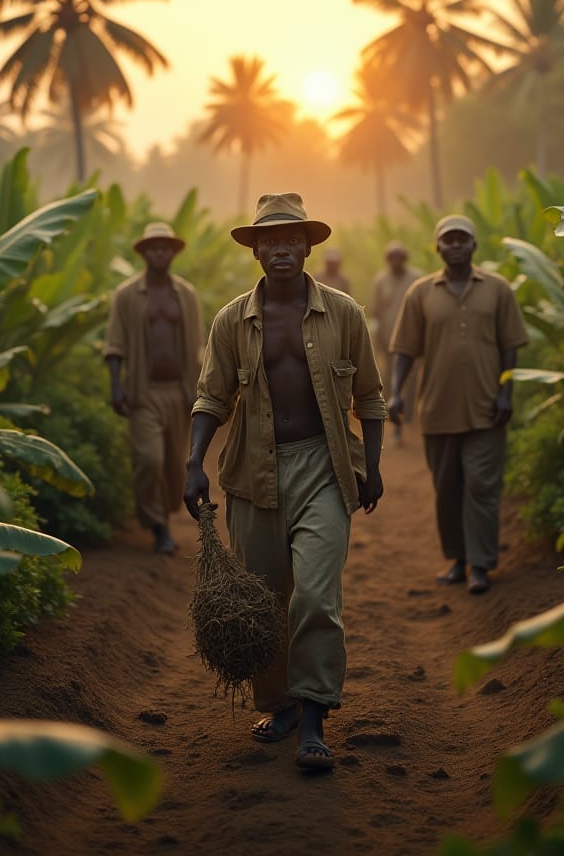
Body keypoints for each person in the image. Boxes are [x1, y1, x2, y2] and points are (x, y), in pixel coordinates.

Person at [183, 192, 386, 772]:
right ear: (256, 249)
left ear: (307, 246)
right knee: (267, 599)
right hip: (254, 472)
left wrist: (371, 466)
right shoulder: (232, 320)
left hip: (324, 467)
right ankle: (281, 705)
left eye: (290, 239)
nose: (280, 249)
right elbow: (212, 397)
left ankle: (315, 714)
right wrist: (194, 460)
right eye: (269, 240)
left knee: (317, 594)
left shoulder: (344, 313)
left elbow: (370, 396)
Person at [387, 214, 528, 596]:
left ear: (474, 245)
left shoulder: (498, 290)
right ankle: (458, 560)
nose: (455, 245)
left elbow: (510, 344)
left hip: (487, 408)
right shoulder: (420, 293)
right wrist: (396, 391)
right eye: (448, 239)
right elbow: (404, 349)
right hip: (437, 408)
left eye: (462, 239)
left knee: (482, 486)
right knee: (447, 489)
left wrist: (506, 393)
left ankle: (481, 565)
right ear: (438, 247)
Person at [104, 221, 202, 556]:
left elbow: (199, 347)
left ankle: (165, 517)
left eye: (166, 248)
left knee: (174, 464)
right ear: (144, 252)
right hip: (143, 393)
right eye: (153, 248)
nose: (160, 253)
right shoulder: (126, 295)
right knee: (149, 458)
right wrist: (117, 386)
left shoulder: (186, 295)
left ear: (173, 252)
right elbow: (114, 344)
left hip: (179, 391)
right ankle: (157, 525)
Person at [370, 240, 421, 443]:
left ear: (405, 258)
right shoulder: (381, 280)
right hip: (390, 341)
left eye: (400, 257)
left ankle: (408, 416)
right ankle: (395, 420)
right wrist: (379, 339)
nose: (396, 261)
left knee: (412, 379)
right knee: (392, 381)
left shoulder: (416, 278)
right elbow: (377, 312)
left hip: (413, 341)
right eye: (392, 257)